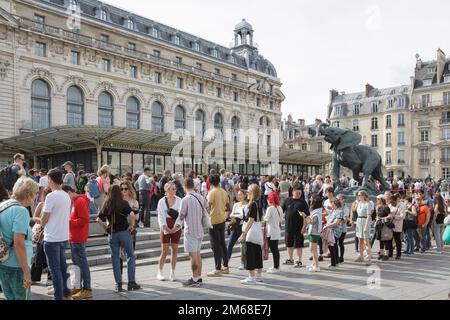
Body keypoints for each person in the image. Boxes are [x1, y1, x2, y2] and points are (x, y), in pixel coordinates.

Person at [97, 185, 140, 292]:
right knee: (130, 255)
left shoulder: (106, 204)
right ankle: (131, 282)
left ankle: (118, 284)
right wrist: (131, 225)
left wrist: (106, 228)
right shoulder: (124, 203)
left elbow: (98, 219)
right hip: (124, 233)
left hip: (112, 234)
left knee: (115, 258)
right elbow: (132, 215)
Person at [0, 177, 38, 300]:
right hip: (18, 266)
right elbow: (18, 243)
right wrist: (26, 272)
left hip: (3, 262)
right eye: (35, 194)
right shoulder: (21, 211)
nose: (35, 198)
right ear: (28, 194)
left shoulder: (3, 205)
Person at [39, 169, 73, 300]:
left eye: (48, 179)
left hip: (52, 237)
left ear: (51, 180)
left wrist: (39, 224)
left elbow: (45, 217)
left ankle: (58, 296)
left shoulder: (51, 196)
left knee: (55, 270)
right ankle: (66, 293)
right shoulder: (66, 195)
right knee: (63, 267)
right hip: (63, 236)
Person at [62, 185, 92, 300]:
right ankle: (78, 287)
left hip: (78, 238)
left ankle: (87, 289)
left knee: (82, 264)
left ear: (70, 192)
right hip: (74, 237)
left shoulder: (79, 201)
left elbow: (85, 220)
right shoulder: (75, 201)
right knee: (76, 264)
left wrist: (69, 222)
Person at [177, 178, 209, 287]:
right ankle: (199, 277)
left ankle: (194, 279)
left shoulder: (185, 199)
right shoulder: (201, 197)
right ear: (194, 186)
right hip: (200, 229)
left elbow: (181, 216)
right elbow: (207, 209)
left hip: (190, 230)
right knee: (198, 254)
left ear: (184, 187)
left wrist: (176, 226)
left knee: (193, 256)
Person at [156, 181, 182, 281]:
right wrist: (165, 228)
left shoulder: (179, 200)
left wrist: (176, 227)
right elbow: (160, 216)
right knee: (164, 250)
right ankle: (160, 271)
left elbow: (181, 215)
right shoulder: (162, 201)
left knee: (175, 250)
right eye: (173, 189)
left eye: (175, 189)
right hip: (165, 226)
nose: (175, 190)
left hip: (176, 226)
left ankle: (173, 272)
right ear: (166, 190)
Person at [239, 184, 264, 285]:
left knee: (250, 255)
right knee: (257, 254)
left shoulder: (252, 204)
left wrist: (244, 233)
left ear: (252, 193)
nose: (247, 194)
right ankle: (258, 276)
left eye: (248, 192)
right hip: (257, 232)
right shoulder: (258, 203)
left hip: (251, 232)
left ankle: (251, 277)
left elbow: (251, 220)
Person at [206, 174, 230, 277]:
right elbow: (228, 206)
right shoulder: (224, 192)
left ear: (210, 182)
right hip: (222, 219)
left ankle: (217, 268)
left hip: (213, 220)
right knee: (222, 243)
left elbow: (208, 207)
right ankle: (225, 266)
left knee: (215, 245)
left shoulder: (211, 192)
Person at [282, 182, 309, 268]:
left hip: (298, 228)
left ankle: (299, 260)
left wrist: (304, 227)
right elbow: (280, 211)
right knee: (289, 244)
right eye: (297, 193)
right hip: (288, 227)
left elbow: (306, 216)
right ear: (292, 191)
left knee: (298, 245)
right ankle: (290, 259)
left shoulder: (303, 203)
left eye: (300, 193)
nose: (298, 194)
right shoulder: (287, 200)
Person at [30, 188, 51, 284]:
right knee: (38, 255)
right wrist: (42, 219)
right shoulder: (41, 204)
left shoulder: (53, 204)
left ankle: (50, 278)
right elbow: (34, 217)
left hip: (50, 233)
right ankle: (34, 277)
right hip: (41, 234)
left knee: (48, 256)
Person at [119, 181, 140, 275]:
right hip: (120, 228)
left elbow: (137, 217)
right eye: (121, 189)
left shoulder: (134, 201)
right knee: (119, 254)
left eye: (125, 188)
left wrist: (131, 213)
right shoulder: (117, 201)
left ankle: (131, 276)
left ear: (130, 189)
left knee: (130, 253)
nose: (123, 190)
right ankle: (119, 275)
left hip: (131, 229)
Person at [227, 189, 248, 267]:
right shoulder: (236, 204)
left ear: (245, 195)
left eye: (241, 195)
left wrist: (237, 215)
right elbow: (231, 215)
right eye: (238, 195)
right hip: (235, 227)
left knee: (243, 245)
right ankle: (226, 262)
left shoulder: (247, 205)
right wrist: (238, 215)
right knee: (229, 244)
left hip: (243, 227)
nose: (239, 196)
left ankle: (243, 263)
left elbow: (245, 217)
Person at [264, 192, 283, 273]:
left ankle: (276, 267)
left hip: (271, 232)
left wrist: (263, 217)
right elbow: (281, 219)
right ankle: (277, 266)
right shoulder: (279, 208)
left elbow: (266, 218)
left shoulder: (270, 208)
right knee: (276, 249)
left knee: (274, 250)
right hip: (277, 231)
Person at [303, 195, 323, 272]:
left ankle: (317, 266)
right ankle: (314, 263)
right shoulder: (316, 211)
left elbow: (312, 222)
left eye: (311, 200)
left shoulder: (317, 212)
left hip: (314, 233)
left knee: (313, 249)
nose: (310, 201)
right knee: (312, 249)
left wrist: (305, 217)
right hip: (312, 231)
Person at [323, 198, 344, 269]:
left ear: (334, 203)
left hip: (334, 232)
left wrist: (327, 226)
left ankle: (333, 264)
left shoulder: (339, 211)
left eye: (331, 203)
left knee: (332, 248)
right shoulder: (334, 211)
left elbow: (337, 223)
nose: (331, 205)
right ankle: (336, 262)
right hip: (331, 231)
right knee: (333, 247)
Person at [354, 191, 373, 264]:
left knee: (366, 241)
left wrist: (365, 226)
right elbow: (355, 210)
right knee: (360, 240)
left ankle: (369, 258)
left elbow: (369, 215)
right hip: (359, 220)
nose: (358, 196)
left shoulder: (367, 204)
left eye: (359, 195)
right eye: (358, 195)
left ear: (364, 196)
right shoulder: (359, 203)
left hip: (365, 220)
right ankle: (361, 256)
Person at [375, 195, 392, 261]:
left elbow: (390, 215)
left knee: (385, 240)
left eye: (378, 199)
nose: (377, 200)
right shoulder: (379, 207)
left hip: (384, 225)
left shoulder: (386, 207)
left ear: (382, 200)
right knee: (380, 240)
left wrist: (382, 218)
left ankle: (386, 254)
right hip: (379, 225)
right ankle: (381, 254)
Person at [388, 194, 405, 259]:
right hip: (390, 225)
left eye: (392, 201)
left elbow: (402, 216)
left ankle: (398, 254)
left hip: (397, 226)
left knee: (397, 240)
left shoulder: (400, 207)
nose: (391, 203)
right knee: (390, 239)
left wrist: (394, 216)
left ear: (395, 201)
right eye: (390, 201)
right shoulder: (389, 206)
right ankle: (390, 253)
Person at [337, 194, 350, 263]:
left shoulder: (346, 208)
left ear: (343, 200)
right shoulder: (337, 207)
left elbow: (345, 220)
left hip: (342, 229)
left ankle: (341, 257)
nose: (338, 200)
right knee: (335, 243)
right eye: (338, 199)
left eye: (339, 199)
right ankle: (336, 256)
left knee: (340, 243)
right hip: (335, 228)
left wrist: (338, 220)